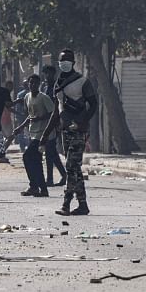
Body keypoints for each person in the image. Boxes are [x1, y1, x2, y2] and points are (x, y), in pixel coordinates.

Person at [44, 49, 99, 216]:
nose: (64, 63)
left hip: (78, 130)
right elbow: (56, 110)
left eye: (67, 60)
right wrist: (46, 134)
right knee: (75, 169)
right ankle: (83, 204)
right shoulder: (57, 84)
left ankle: (66, 203)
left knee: (70, 167)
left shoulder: (83, 82)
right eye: (62, 61)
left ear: (73, 63)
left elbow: (94, 104)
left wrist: (83, 122)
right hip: (65, 131)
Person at [11, 74, 54, 197]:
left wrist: (41, 118)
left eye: (35, 83)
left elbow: (52, 114)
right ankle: (38, 188)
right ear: (28, 84)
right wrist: (20, 127)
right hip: (33, 132)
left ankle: (35, 186)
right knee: (36, 160)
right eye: (31, 83)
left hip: (43, 134)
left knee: (27, 156)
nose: (33, 85)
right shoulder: (27, 97)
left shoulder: (43, 97)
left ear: (39, 84)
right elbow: (30, 116)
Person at [40, 63, 66, 186]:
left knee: (50, 151)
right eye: (45, 73)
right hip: (46, 122)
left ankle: (50, 178)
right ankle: (62, 175)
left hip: (54, 122)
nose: (47, 76)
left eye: (49, 73)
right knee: (51, 152)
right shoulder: (45, 87)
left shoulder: (57, 86)